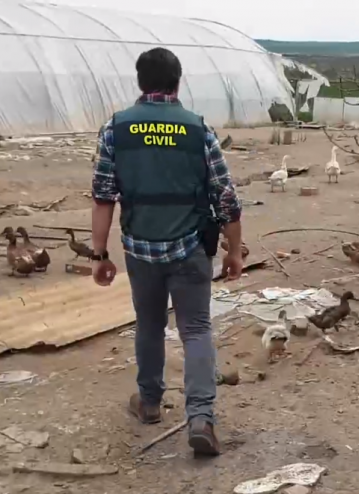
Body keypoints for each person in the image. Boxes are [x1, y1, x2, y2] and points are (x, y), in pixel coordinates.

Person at [89, 47, 244, 456]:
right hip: (190, 247)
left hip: (140, 249)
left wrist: (99, 254)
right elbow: (226, 197)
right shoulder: (198, 130)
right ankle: (201, 419)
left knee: (149, 324)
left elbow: (103, 196)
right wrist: (234, 251)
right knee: (196, 328)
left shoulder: (115, 129)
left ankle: (150, 403)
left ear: (140, 83)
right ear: (178, 82)